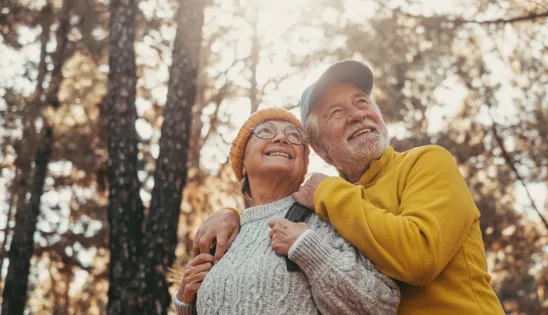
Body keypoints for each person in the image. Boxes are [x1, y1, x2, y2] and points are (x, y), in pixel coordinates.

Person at [193, 60, 505, 314]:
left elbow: (420, 258)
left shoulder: (425, 163)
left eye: (362, 101)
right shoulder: (321, 211)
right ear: (320, 149)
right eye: (336, 112)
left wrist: (327, 194)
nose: (358, 114)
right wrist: (231, 216)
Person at [174, 108, 400, 315]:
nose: (282, 138)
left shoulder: (325, 220)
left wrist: (311, 251)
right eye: (265, 131)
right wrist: (185, 304)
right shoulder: (223, 237)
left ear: (302, 166)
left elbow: (382, 305)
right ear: (241, 162)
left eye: (294, 136)